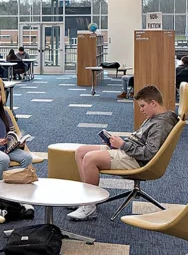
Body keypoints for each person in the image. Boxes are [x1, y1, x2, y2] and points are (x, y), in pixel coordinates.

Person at [69, 85, 179, 221]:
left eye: (143, 106)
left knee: (90, 158)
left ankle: (89, 206)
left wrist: (123, 145)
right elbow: (140, 141)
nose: (141, 110)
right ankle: (86, 197)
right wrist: (117, 144)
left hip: (136, 160)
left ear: (153, 103)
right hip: (129, 151)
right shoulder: (155, 117)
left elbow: (149, 153)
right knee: (80, 151)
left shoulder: (161, 124)